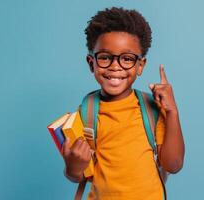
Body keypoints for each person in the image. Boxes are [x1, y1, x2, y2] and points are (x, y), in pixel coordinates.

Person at [61, 7, 185, 200]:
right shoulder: (85, 113)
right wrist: (73, 166)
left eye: (127, 59)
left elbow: (173, 165)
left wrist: (172, 112)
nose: (115, 66)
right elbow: (76, 175)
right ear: (91, 63)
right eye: (105, 57)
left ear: (140, 65)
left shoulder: (152, 109)